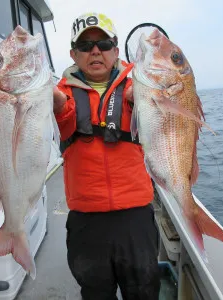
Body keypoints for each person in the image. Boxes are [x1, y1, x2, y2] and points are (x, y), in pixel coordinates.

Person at [53, 12, 160, 300]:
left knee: (145, 291)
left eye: (102, 44)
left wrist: (146, 95)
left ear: (115, 49)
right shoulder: (60, 95)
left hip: (135, 216)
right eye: (86, 47)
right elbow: (62, 117)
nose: (95, 51)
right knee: (96, 292)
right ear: (74, 54)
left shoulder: (138, 85)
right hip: (87, 221)